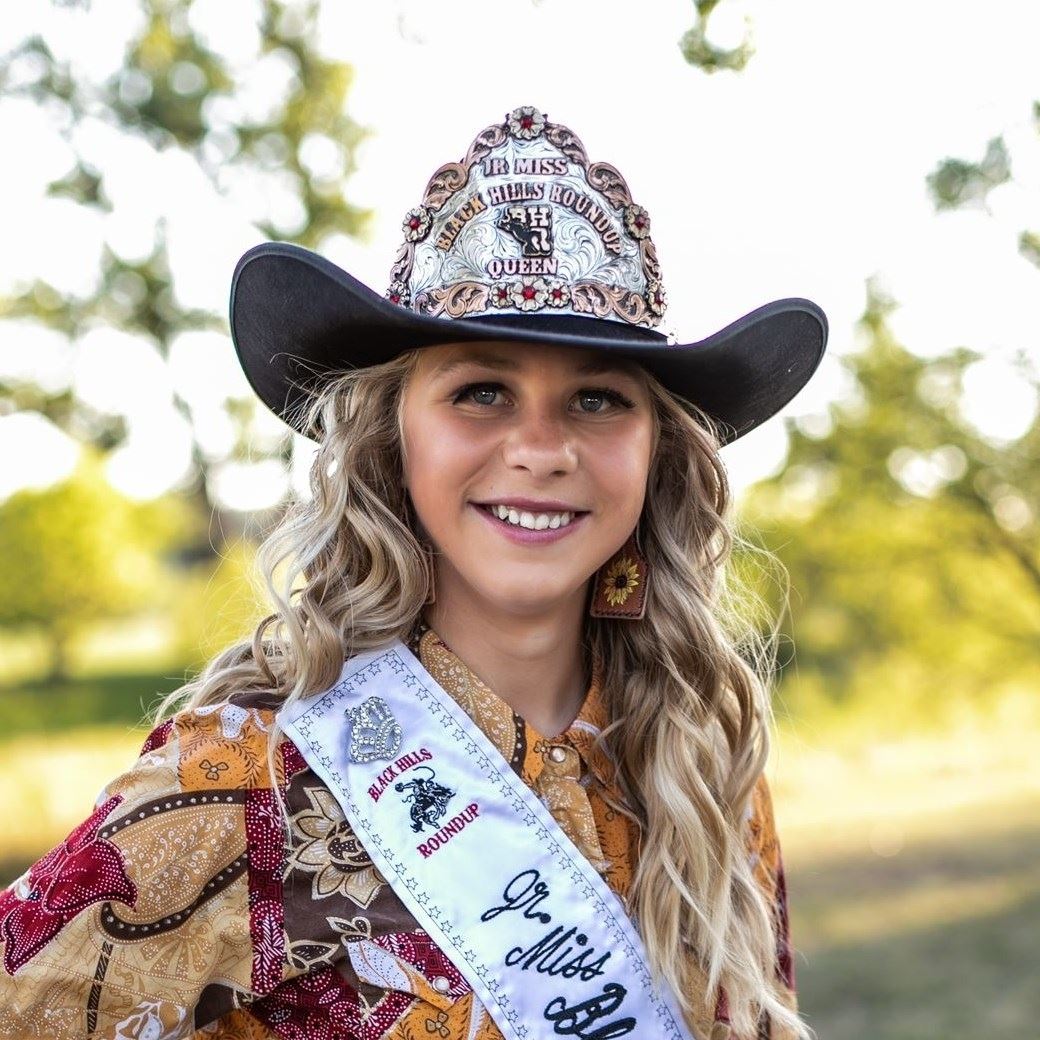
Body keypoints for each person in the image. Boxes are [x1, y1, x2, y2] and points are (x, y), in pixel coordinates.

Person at [0, 105, 827, 1040]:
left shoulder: (701, 763)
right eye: (482, 391)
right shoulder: (241, 783)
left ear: (657, 455)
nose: (541, 448)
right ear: (392, 442)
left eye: (598, 398)